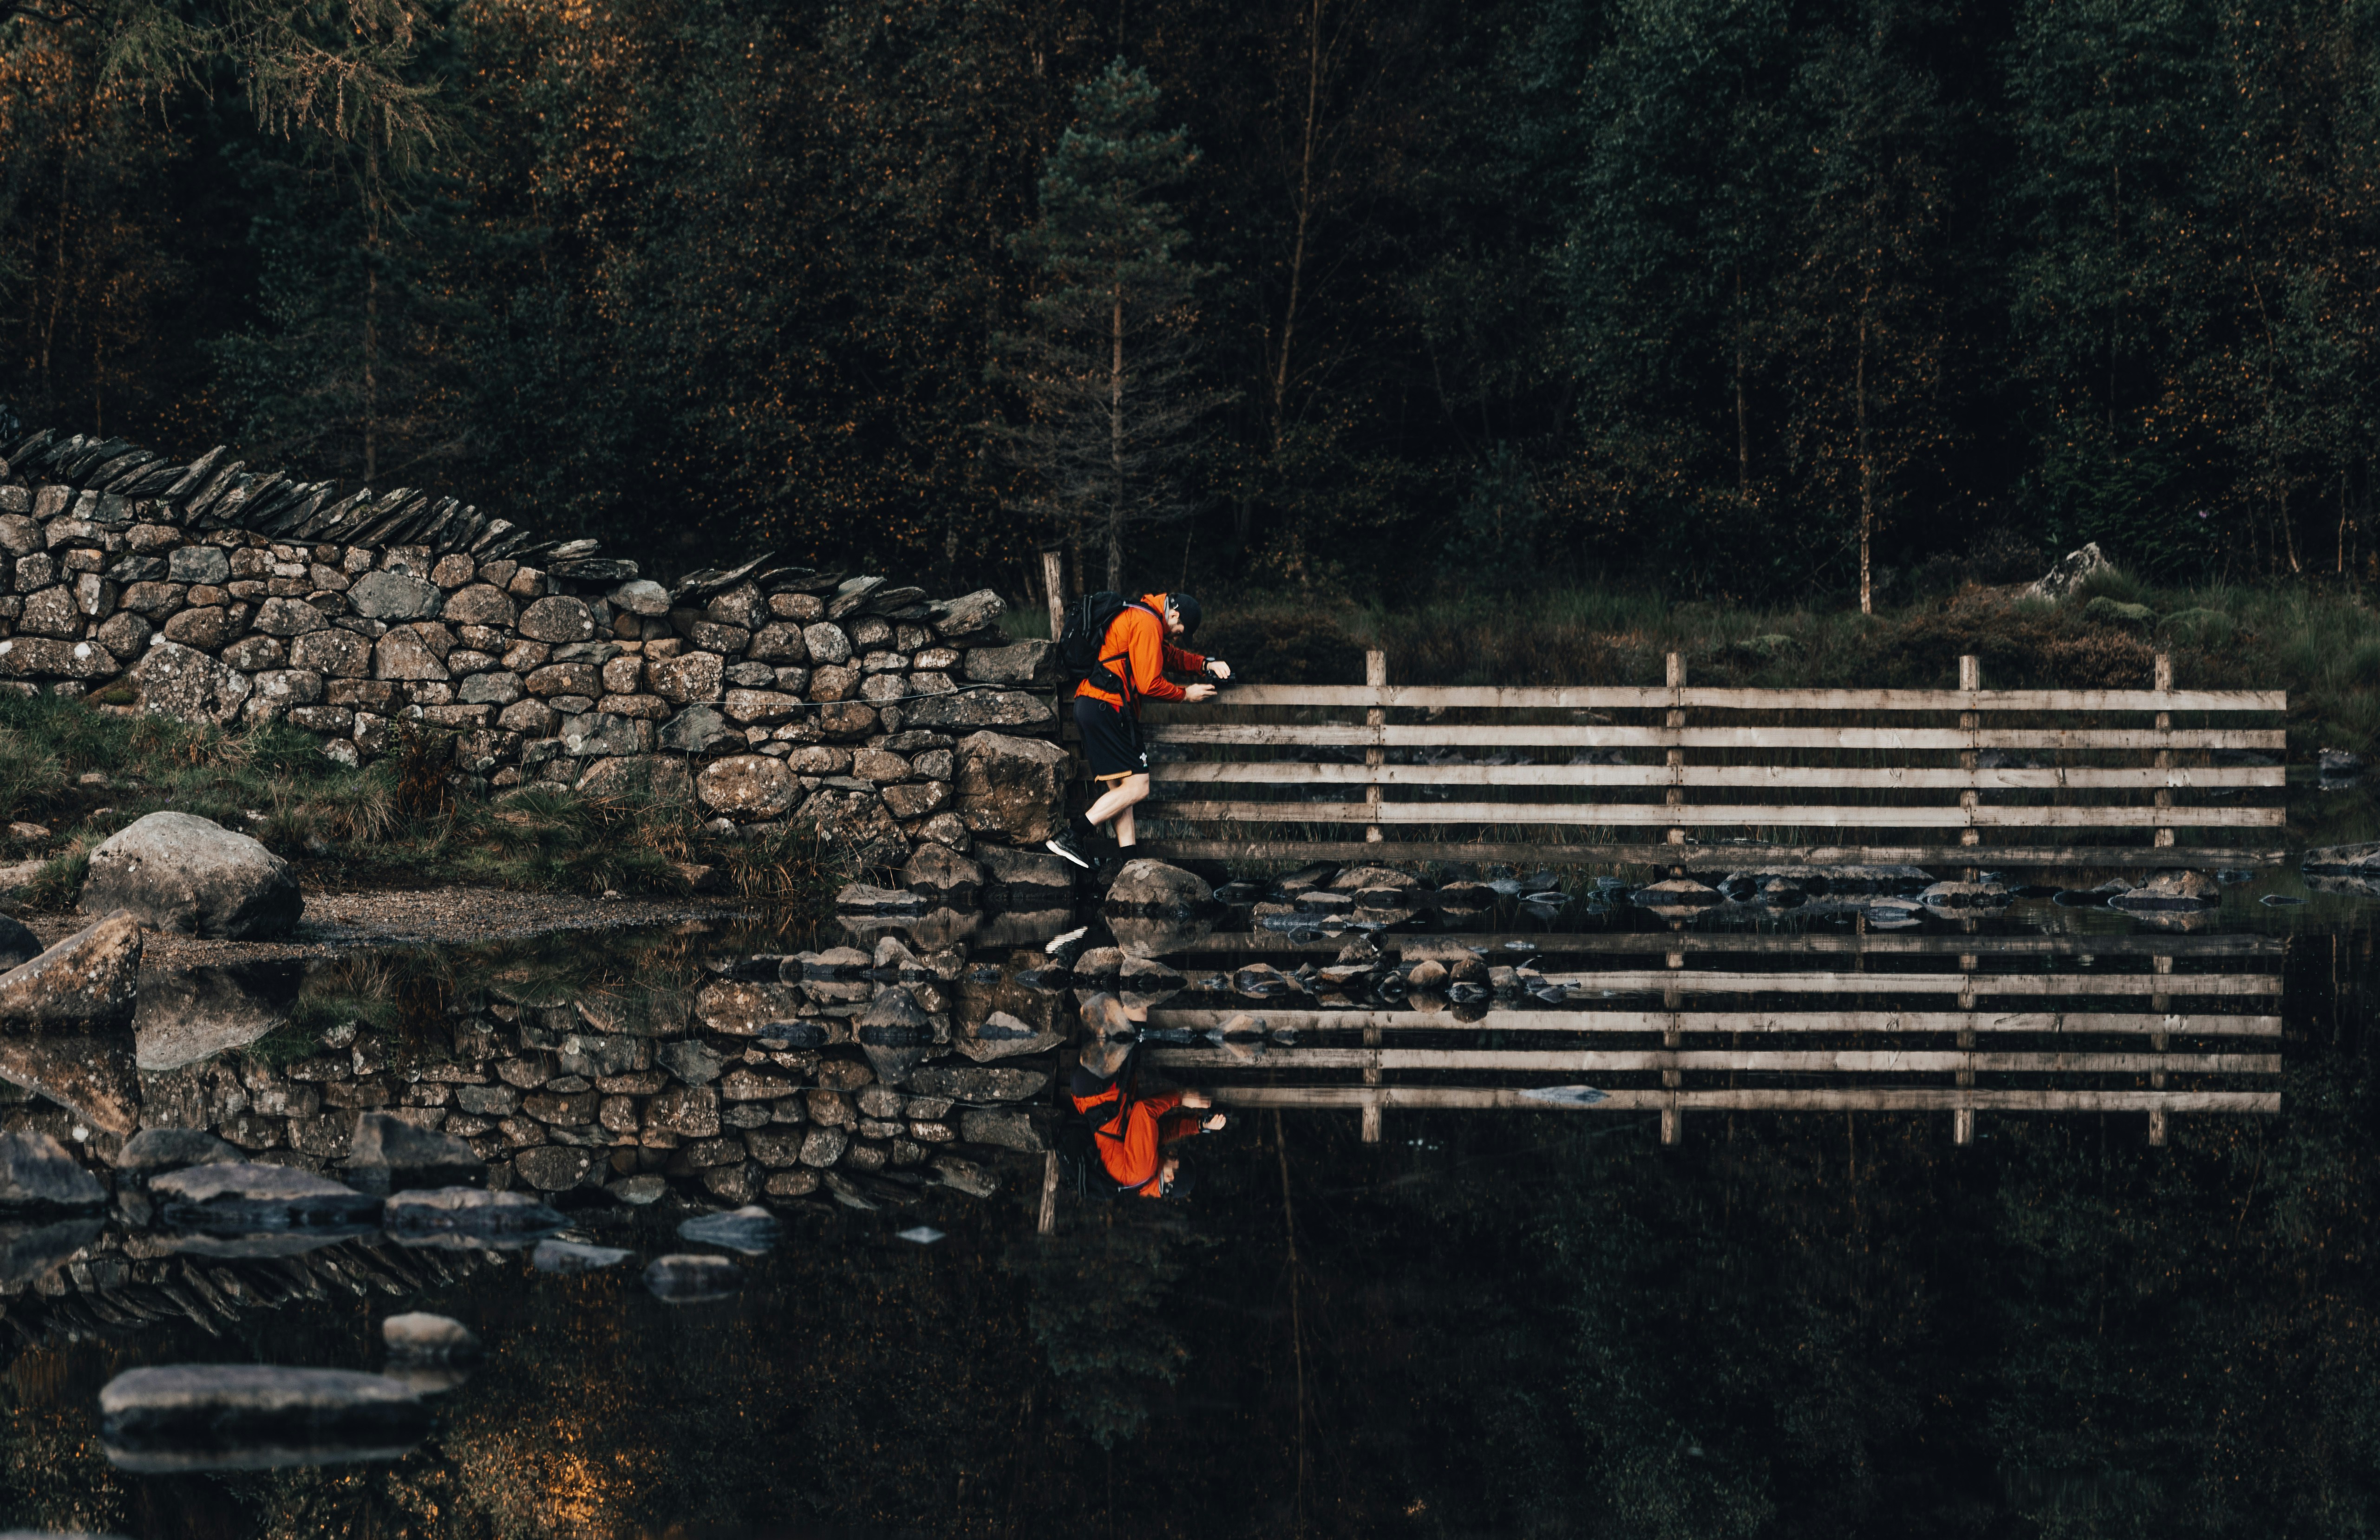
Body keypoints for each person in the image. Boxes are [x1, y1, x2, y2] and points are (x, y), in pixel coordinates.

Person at [1046, 590, 1230, 870]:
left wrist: (1205, 663)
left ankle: (1129, 865)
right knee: (1139, 787)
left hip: (1092, 705)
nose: (1178, 635)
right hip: (1108, 709)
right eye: (1181, 631)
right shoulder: (1146, 623)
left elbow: (1169, 657)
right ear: (1175, 615)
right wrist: (1185, 695)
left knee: (1122, 793)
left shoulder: (1142, 616)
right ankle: (1071, 836)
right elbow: (1149, 684)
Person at [1071, 992, 1227, 1199]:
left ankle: (1118, 973)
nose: (1172, 1153)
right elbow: (1164, 1132)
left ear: (1170, 1177)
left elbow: (1144, 1111)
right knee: (1127, 1019)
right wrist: (1200, 1126)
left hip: (1102, 1089)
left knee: (1136, 1013)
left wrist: (1181, 1098)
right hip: (1098, 1092)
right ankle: (1108, 979)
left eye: (1175, 1158)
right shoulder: (1140, 1179)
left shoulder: (1142, 1169)